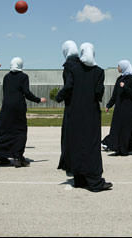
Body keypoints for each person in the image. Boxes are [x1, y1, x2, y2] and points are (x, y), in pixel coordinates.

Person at [56, 43, 112, 192]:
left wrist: (58, 97)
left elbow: (68, 87)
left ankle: (79, 179)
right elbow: (98, 92)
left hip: (75, 112)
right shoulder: (99, 71)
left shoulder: (74, 69)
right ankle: (94, 181)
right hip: (91, 113)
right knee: (91, 145)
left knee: (77, 143)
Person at [0, 57, 46, 167]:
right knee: (20, 132)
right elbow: (27, 93)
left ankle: (2, 157)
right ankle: (18, 157)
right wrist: (39, 100)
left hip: (6, 107)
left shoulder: (6, 77)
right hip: (18, 107)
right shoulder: (24, 77)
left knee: (4, 131)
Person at [101, 60, 132, 156]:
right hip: (119, 109)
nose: (117, 68)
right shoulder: (119, 79)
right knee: (118, 128)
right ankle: (119, 148)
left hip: (129, 109)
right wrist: (109, 105)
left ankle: (129, 148)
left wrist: (125, 87)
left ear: (124, 67)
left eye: (119, 66)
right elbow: (115, 95)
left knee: (129, 129)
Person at [57, 40, 80, 174]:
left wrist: (60, 96)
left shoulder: (68, 65)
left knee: (69, 134)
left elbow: (69, 85)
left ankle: (68, 161)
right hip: (81, 103)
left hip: (70, 104)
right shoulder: (81, 63)